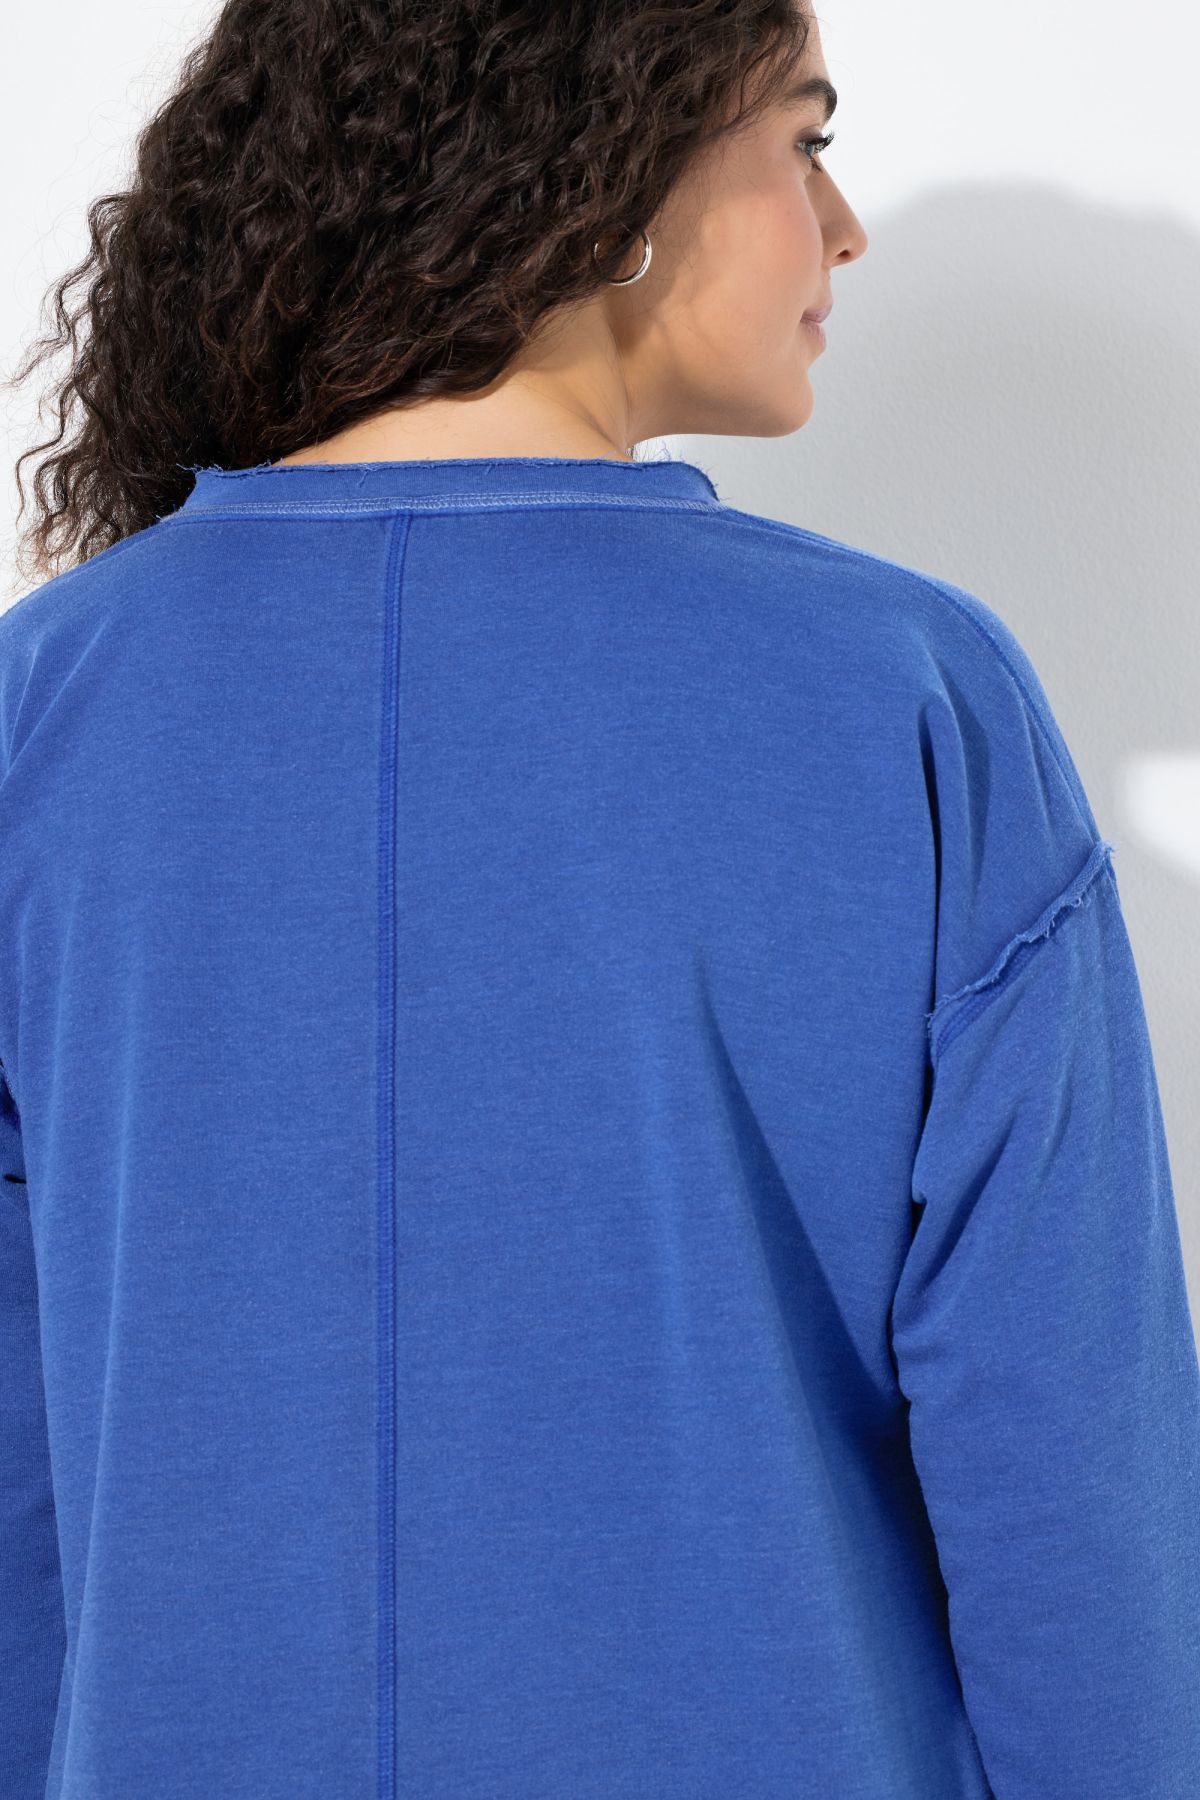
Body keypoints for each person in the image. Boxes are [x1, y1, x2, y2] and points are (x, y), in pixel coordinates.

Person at [1, 4, 1196, 1798]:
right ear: (612, 166)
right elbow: (1069, 1475)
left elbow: (18, 1482)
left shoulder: (43, 708)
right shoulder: (903, 691)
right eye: (805, 141)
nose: (844, 226)